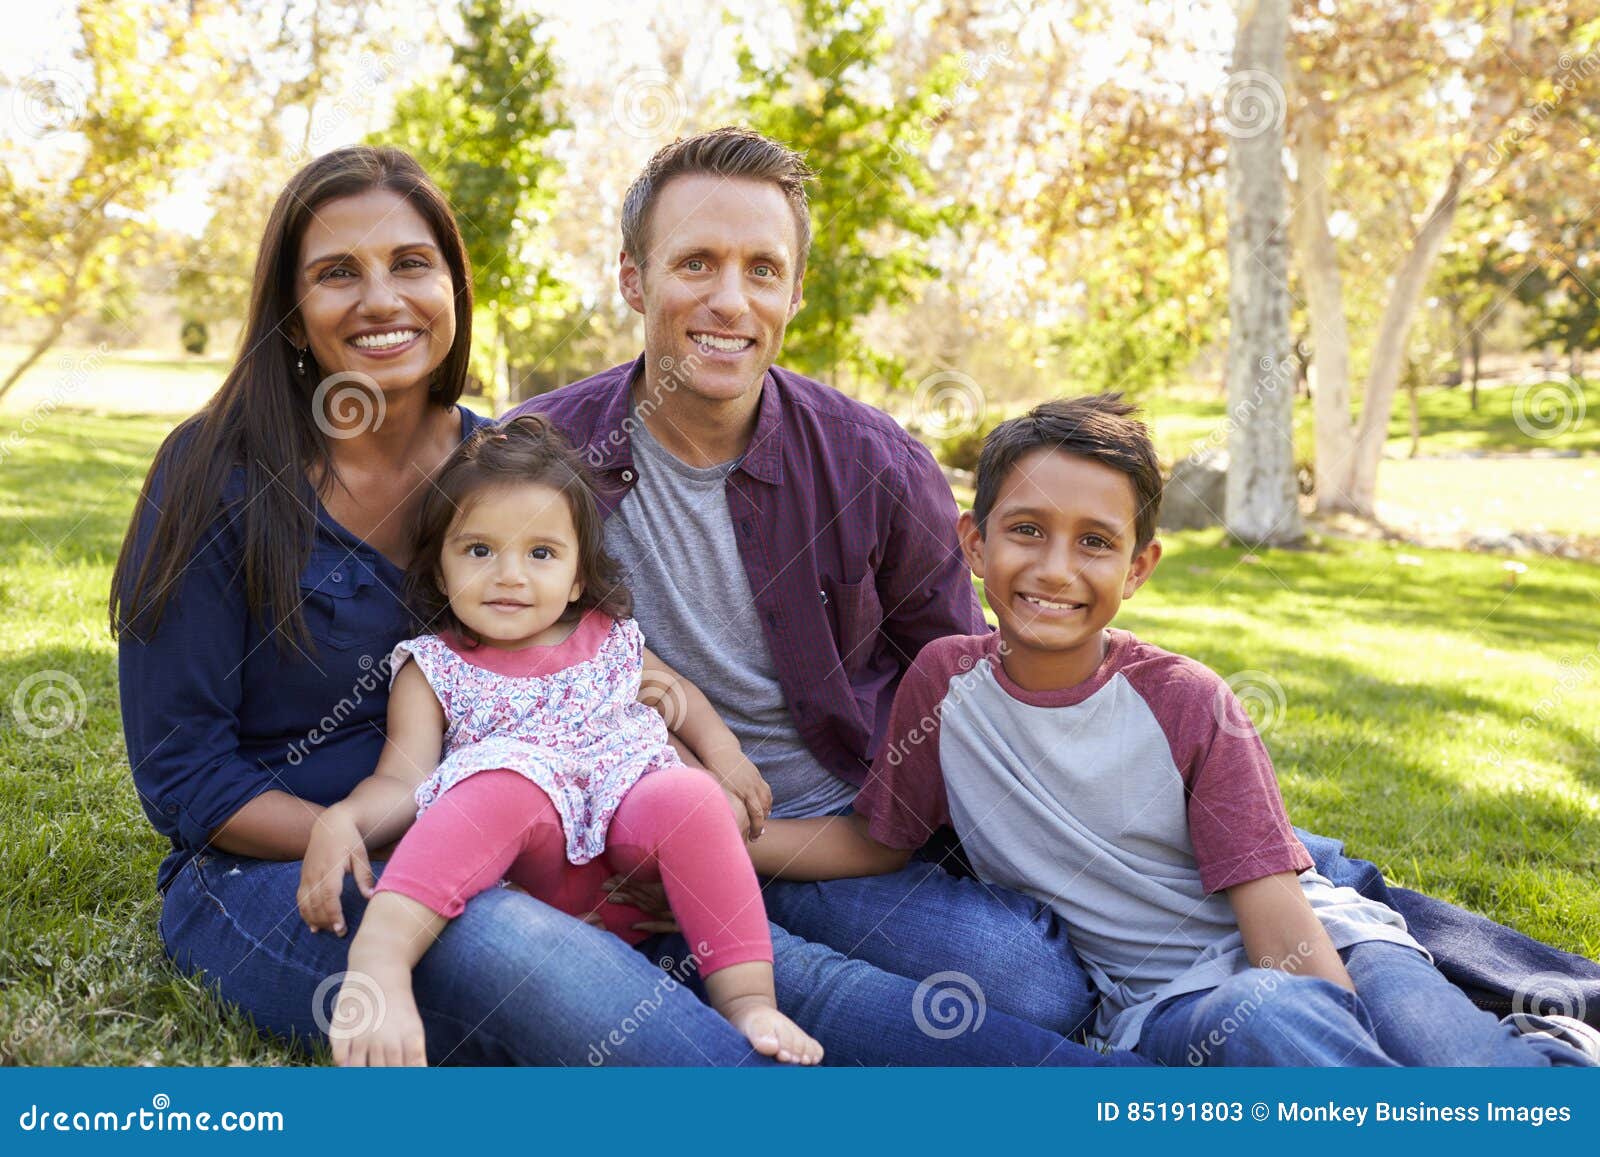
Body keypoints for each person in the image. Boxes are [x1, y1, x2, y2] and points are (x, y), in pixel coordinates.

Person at [112, 144, 1131, 1066]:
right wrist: (394, 834)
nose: (382, 297)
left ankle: (1109, 1094)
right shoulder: (217, 476)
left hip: (555, 837)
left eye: (411, 265)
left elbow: (932, 682)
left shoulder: (500, 466)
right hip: (292, 864)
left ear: (453, 288)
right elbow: (184, 776)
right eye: (338, 272)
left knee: (847, 972)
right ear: (290, 304)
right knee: (547, 956)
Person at [744, 394, 1600, 1067]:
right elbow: (879, 841)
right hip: (1168, 1004)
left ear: (1139, 565)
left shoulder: (1188, 700)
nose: (1054, 568)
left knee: (1467, 1080)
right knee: (1266, 1020)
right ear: (973, 541)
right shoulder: (943, 684)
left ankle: (1542, 1061)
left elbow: (1280, 929)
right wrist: (726, 837)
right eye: (1027, 531)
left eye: (1095, 542)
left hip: (1320, 940)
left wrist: (1336, 1051)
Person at [299, 415, 821, 1066]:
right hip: (533, 878)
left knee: (687, 795)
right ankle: (380, 956)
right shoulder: (432, 665)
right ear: (438, 568)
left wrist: (726, 757)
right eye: (479, 550)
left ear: (577, 577)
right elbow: (402, 779)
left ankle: (749, 1000)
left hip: (630, 859)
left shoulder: (608, 636)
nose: (509, 575)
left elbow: (679, 697)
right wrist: (346, 816)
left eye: (540, 553)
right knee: (505, 784)